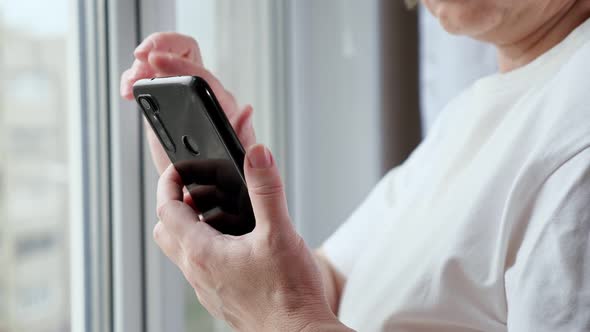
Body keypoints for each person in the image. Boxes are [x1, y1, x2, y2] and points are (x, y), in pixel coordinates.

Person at [120, 0, 590, 331]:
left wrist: (281, 321)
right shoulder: (476, 112)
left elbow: (298, 312)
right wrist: (239, 210)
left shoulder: (576, 140)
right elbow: (333, 285)